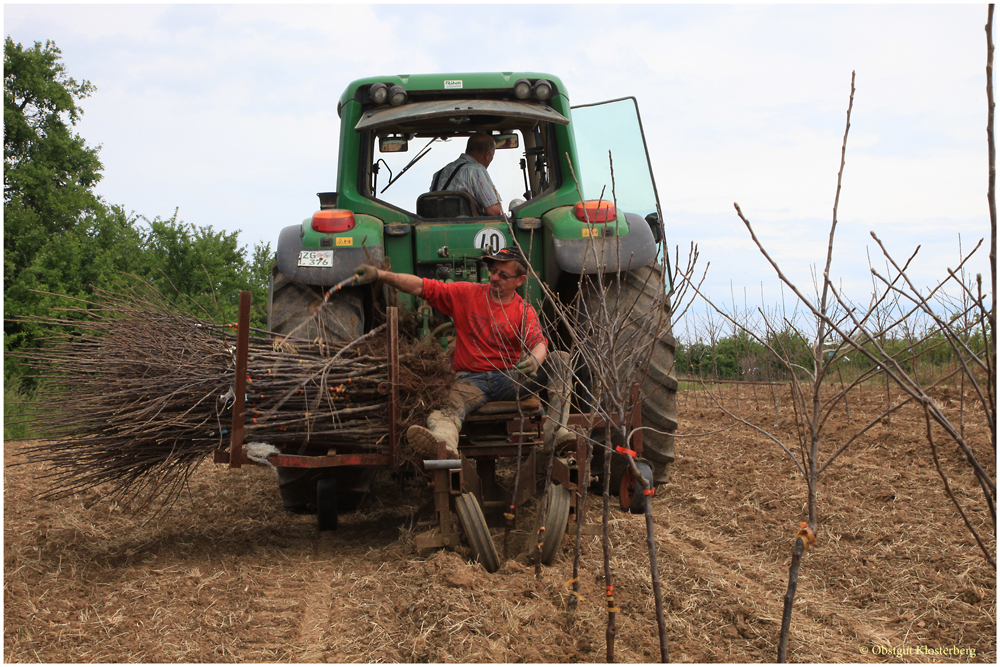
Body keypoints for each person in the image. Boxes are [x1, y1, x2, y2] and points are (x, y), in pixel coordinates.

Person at [353, 246, 576, 459]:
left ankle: (556, 436)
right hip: (471, 382)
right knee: (449, 406)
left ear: (520, 280)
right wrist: (380, 274)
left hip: (511, 380)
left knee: (561, 360)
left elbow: (539, 342)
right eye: (493, 271)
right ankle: (443, 445)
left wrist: (536, 360)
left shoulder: (523, 311)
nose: (495, 278)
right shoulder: (467, 294)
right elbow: (421, 286)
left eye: (503, 275)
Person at [429, 133, 503, 216]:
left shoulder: (439, 174)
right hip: (467, 227)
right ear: (487, 155)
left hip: (435, 227)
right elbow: (493, 211)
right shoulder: (476, 170)